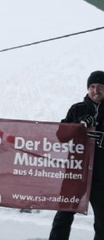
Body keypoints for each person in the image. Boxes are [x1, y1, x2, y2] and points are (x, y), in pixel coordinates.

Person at [48, 70, 104, 240]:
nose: (96, 90)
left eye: (101, 86)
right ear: (88, 89)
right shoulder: (77, 109)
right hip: (76, 172)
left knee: (103, 221)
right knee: (64, 216)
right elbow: (61, 136)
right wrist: (78, 125)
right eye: (92, 86)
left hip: (101, 175)